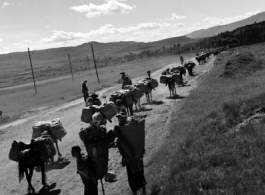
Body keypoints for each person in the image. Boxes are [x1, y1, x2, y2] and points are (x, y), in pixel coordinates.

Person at [114, 112, 147, 195]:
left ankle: (140, 190)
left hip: (132, 159)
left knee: (136, 174)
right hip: (132, 159)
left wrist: (129, 158)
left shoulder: (124, 136)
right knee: (137, 173)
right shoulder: (122, 137)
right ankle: (139, 190)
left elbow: (127, 150)